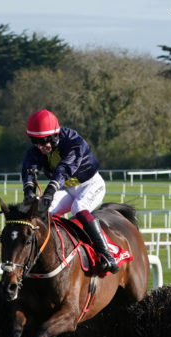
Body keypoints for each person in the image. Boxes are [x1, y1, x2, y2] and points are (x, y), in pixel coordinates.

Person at [21, 109, 119, 274]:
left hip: (91, 184)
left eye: (43, 141)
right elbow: (29, 169)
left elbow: (64, 169)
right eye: (35, 141)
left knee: (78, 208)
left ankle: (107, 255)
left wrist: (50, 191)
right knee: (41, 211)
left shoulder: (73, 142)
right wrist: (29, 192)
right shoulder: (38, 149)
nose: (39, 146)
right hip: (67, 189)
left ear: (53, 136)